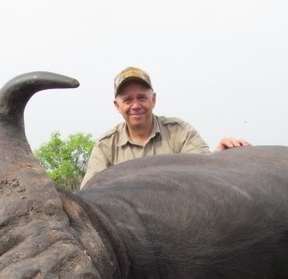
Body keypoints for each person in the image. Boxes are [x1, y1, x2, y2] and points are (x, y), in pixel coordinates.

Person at [80, 66, 251, 188]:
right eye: (127, 100)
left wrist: (219, 157)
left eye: (142, 98)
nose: (136, 105)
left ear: (153, 99)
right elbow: (88, 195)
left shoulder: (179, 131)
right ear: (117, 106)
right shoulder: (105, 145)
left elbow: (204, 170)